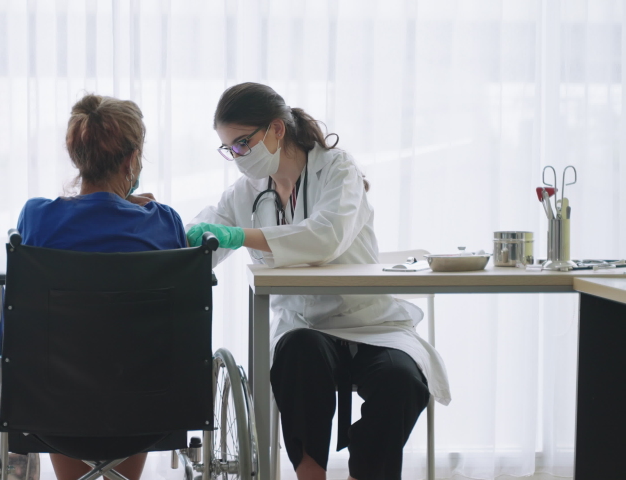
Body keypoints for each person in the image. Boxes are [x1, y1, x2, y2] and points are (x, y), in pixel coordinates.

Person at [187, 82, 450, 480]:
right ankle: (311, 475)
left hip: (372, 323)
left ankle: (366, 471)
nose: (238, 156)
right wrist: (160, 228)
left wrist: (243, 236)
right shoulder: (246, 192)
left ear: (277, 130)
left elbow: (325, 236)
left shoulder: (337, 169)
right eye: (230, 149)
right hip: (305, 327)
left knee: (401, 379)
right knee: (300, 351)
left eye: (243, 143)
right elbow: (204, 233)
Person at [14, 93, 186, 480]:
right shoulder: (162, 222)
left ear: (77, 156)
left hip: (54, 408)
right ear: (131, 159)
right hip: (148, 409)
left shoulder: (37, 217)